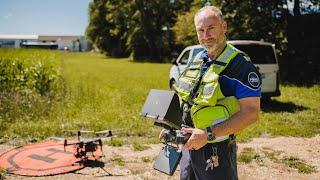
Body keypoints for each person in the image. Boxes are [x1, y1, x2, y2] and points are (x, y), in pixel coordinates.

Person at [174, 5, 261, 180]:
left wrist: (208, 134)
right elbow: (188, 101)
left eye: (211, 28)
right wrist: (171, 127)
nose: (206, 36)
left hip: (216, 149)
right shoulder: (199, 59)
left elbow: (251, 113)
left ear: (224, 26)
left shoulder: (240, 65)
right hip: (189, 146)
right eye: (201, 30)